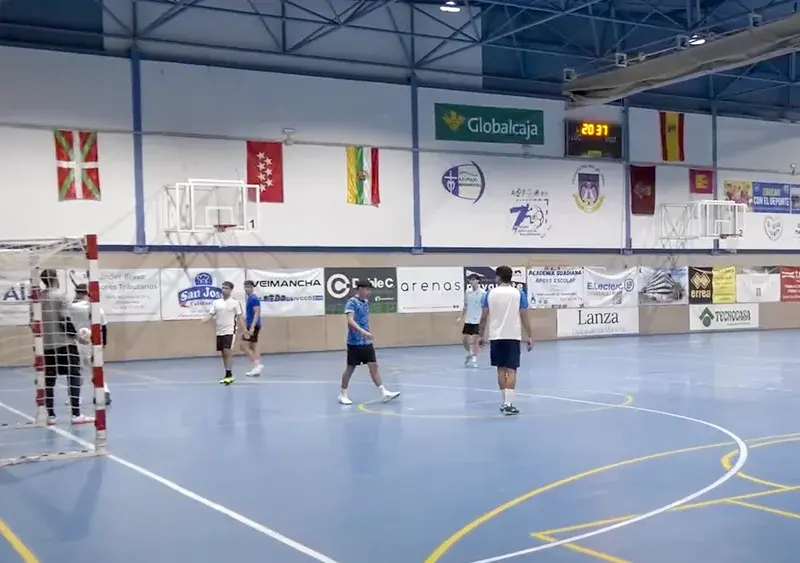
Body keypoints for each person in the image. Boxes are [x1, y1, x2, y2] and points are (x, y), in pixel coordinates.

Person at [38, 269, 94, 425]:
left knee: (49, 380)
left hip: (47, 346)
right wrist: (77, 337)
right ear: (55, 279)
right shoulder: (61, 296)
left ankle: (51, 416)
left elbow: (33, 324)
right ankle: (76, 414)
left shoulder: (37, 299)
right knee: (74, 376)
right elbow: (64, 320)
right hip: (65, 344)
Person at [478, 265, 533, 415]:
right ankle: (508, 403)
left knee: (500, 370)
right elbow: (524, 315)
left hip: (496, 337)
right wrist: (529, 335)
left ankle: (504, 402)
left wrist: (480, 336)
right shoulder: (519, 293)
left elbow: (483, 317)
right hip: (513, 336)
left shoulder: (489, 293)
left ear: (498, 277)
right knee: (512, 370)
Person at [338, 280, 400, 406]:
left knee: (374, 366)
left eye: (369, 290)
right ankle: (343, 394)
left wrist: (367, 334)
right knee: (350, 368)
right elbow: (350, 320)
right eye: (366, 289)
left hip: (366, 342)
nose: (368, 292)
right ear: (360, 289)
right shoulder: (351, 303)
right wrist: (363, 332)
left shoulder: (366, 302)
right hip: (354, 342)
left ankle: (384, 392)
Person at [68, 284, 111, 405]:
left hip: (77, 343)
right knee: (96, 369)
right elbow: (104, 327)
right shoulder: (98, 309)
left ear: (77, 293)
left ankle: (76, 398)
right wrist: (103, 344)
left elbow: (67, 321)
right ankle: (104, 392)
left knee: (77, 371)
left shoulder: (71, 307)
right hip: (95, 343)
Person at [203, 281, 243, 385]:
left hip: (230, 330)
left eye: (226, 288)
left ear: (230, 290)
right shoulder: (216, 302)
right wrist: (205, 319)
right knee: (223, 353)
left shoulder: (235, 303)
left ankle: (229, 374)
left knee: (227, 351)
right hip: (219, 331)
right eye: (223, 287)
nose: (224, 289)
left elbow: (239, 317)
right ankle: (227, 373)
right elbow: (211, 314)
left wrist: (245, 329)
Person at [456, 274, 485, 367]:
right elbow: (465, 305)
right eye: (470, 280)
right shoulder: (467, 292)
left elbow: (484, 307)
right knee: (465, 340)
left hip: (477, 319)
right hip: (468, 319)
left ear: (477, 281)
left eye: (473, 280)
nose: (471, 281)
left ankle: (474, 358)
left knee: (475, 339)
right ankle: (470, 352)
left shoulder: (483, 293)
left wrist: (484, 319)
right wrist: (460, 316)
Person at [241, 280, 263, 377]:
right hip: (250, 324)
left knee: (243, 346)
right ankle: (256, 367)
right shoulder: (249, 298)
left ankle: (257, 365)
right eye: (245, 287)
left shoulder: (254, 299)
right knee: (252, 347)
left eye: (249, 287)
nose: (247, 289)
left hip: (253, 325)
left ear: (252, 288)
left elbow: (257, 313)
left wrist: (252, 327)